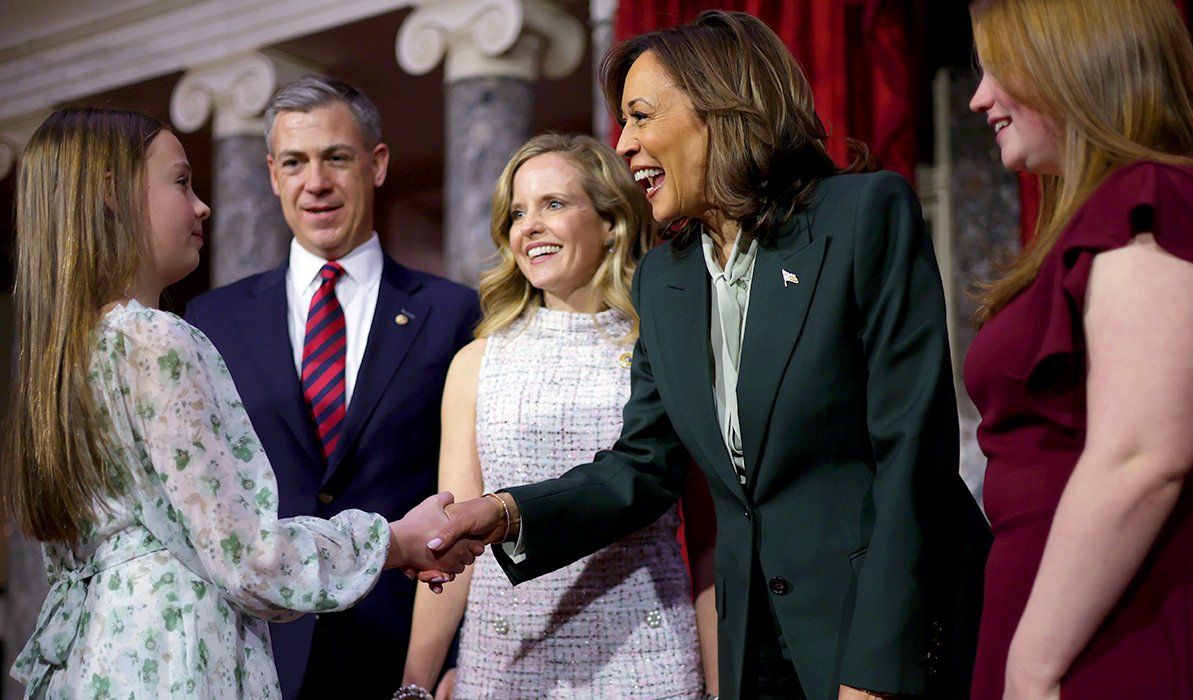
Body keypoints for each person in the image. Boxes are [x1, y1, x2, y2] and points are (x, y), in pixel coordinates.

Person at [427, 11, 990, 700]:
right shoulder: (665, 281)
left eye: (639, 117)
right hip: (756, 643)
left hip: (880, 631)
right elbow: (642, 465)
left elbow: (913, 454)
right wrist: (506, 513)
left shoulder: (861, 215)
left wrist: (874, 673)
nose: (624, 144)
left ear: (719, 107)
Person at [3, 108, 483, 699]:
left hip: (101, 660)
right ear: (112, 196)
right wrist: (397, 540)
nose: (203, 206)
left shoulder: (65, 357)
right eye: (181, 182)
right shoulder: (156, 338)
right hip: (179, 657)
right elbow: (248, 558)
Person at [962, 0, 1193, 698]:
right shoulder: (1107, 211)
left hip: (1131, 630)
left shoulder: (1151, 200)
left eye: (998, 70)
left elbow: (1142, 456)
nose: (978, 98)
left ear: (1072, 66)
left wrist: (1032, 667)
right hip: (1082, 626)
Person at [183, 76, 480, 697]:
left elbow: (475, 490)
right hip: (255, 651)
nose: (314, 182)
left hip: (403, 654)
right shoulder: (213, 320)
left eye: (335, 158)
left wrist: (461, 654)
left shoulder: (453, 313)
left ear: (376, 164)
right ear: (271, 174)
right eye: (294, 162)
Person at [398, 133, 718, 699]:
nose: (530, 226)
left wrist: (720, 686)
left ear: (611, 222)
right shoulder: (477, 361)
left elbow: (710, 536)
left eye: (553, 204)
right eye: (518, 212)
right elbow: (453, 542)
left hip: (647, 663)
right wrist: (415, 686)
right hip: (504, 662)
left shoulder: (665, 343)